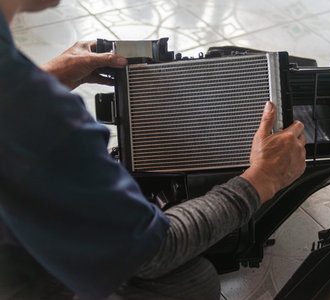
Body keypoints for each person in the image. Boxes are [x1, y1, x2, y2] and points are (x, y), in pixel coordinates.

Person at [0, 1, 307, 299]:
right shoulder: (44, 117)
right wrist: (261, 180)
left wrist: (46, 78)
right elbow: (155, 252)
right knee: (189, 283)